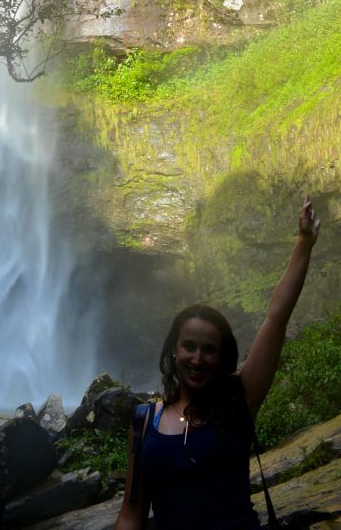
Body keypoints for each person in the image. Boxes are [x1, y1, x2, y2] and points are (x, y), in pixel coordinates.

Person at [114, 195, 321, 530]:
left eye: (209, 350)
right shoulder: (143, 423)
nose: (197, 359)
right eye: (189, 347)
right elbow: (130, 515)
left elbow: (276, 319)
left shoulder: (239, 400)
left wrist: (304, 243)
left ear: (223, 356)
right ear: (174, 351)